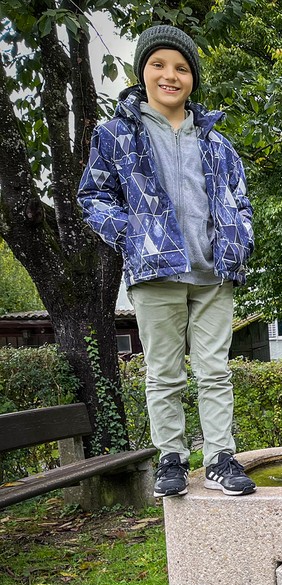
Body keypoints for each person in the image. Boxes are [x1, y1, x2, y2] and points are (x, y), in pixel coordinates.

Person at [78, 25, 256, 498]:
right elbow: (93, 196)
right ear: (142, 71)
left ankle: (220, 458)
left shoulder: (216, 141)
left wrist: (239, 240)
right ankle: (171, 459)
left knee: (215, 370)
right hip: (155, 274)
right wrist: (134, 236)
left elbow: (240, 201)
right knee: (164, 373)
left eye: (181, 67)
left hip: (214, 273)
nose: (170, 75)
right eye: (159, 64)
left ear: (192, 77)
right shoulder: (116, 135)